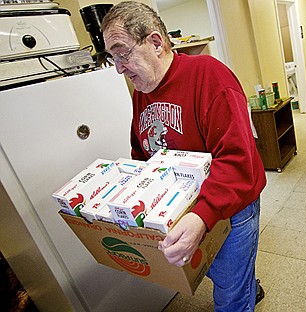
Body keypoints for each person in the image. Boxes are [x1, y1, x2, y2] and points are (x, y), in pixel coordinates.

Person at [101, 2, 267, 311]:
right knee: (221, 273)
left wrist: (202, 216)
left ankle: (242, 287)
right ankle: (245, 281)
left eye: (122, 52)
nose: (119, 68)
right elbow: (142, 152)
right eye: (112, 57)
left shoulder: (210, 76)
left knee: (230, 298)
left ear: (155, 42)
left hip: (229, 206)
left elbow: (237, 159)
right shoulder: (143, 90)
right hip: (185, 207)